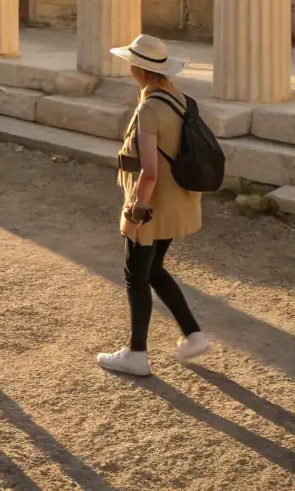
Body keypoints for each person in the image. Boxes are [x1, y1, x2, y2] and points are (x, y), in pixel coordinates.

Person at [96, 34, 209, 377]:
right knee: (154, 269)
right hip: (177, 201)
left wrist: (135, 212)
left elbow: (148, 171)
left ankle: (137, 354)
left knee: (136, 275)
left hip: (152, 204)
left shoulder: (149, 108)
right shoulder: (180, 99)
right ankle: (193, 334)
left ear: (137, 69)